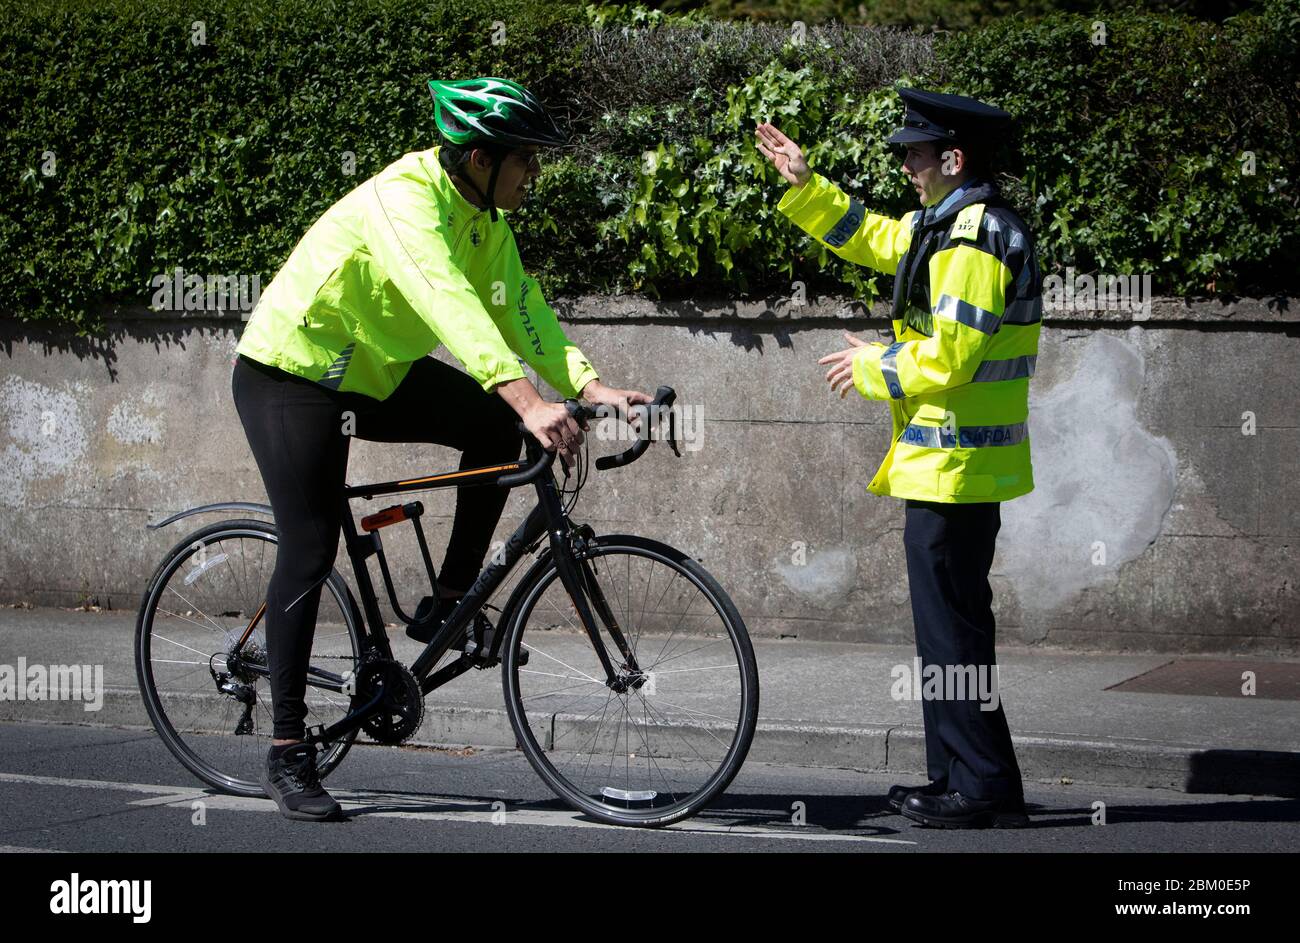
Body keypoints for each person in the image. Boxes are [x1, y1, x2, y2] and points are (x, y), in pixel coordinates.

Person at [232, 76, 650, 821]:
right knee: (308, 542)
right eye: (527, 161)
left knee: (495, 429)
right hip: (292, 370)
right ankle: (289, 749)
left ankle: (446, 603)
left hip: (372, 371)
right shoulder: (406, 200)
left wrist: (592, 384)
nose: (535, 176)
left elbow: (521, 309)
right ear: (482, 159)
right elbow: (443, 299)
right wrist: (524, 395)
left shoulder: (485, 220)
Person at [756, 87, 1041, 828]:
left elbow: (952, 353)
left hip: (957, 469)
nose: (906, 166)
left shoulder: (976, 239)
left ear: (954, 157)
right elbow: (875, 237)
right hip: (951, 468)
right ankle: (969, 776)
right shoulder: (946, 226)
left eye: (916, 154)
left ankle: (977, 785)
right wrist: (807, 186)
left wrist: (876, 366)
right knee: (954, 628)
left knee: (952, 631)